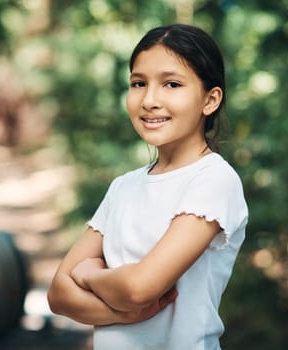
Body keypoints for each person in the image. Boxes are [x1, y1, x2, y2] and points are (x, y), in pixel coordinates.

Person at [47, 23, 249, 350]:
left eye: (171, 84)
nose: (150, 99)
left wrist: (88, 275)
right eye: (139, 83)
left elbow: (141, 289)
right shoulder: (123, 187)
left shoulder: (214, 181)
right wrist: (125, 314)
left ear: (210, 100)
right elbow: (58, 295)